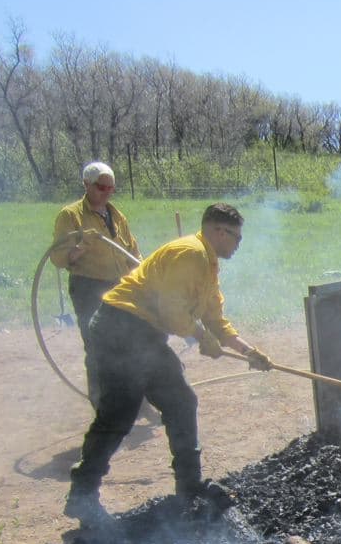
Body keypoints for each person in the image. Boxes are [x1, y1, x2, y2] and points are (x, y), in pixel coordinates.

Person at [64, 203, 273, 525]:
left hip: (142, 334)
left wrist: (249, 352)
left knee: (180, 401)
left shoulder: (208, 264)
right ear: (219, 231)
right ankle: (82, 494)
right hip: (121, 328)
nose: (238, 244)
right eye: (236, 238)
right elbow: (173, 311)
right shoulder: (189, 254)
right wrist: (201, 337)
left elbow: (215, 318)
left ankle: (189, 488)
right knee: (119, 414)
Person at [50, 162, 141, 404]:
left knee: (130, 341)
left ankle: (135, 397)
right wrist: (79, 249)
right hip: (88, 287)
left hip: (119, 286)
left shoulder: (117, 215)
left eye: (111, 188)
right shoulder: (71, 216)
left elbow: (132, 251)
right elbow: (58, 258)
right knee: (97, 345)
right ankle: (102, 404)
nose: (107, 192)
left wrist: (144, 275)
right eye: (101, 187)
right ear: (86, 185)